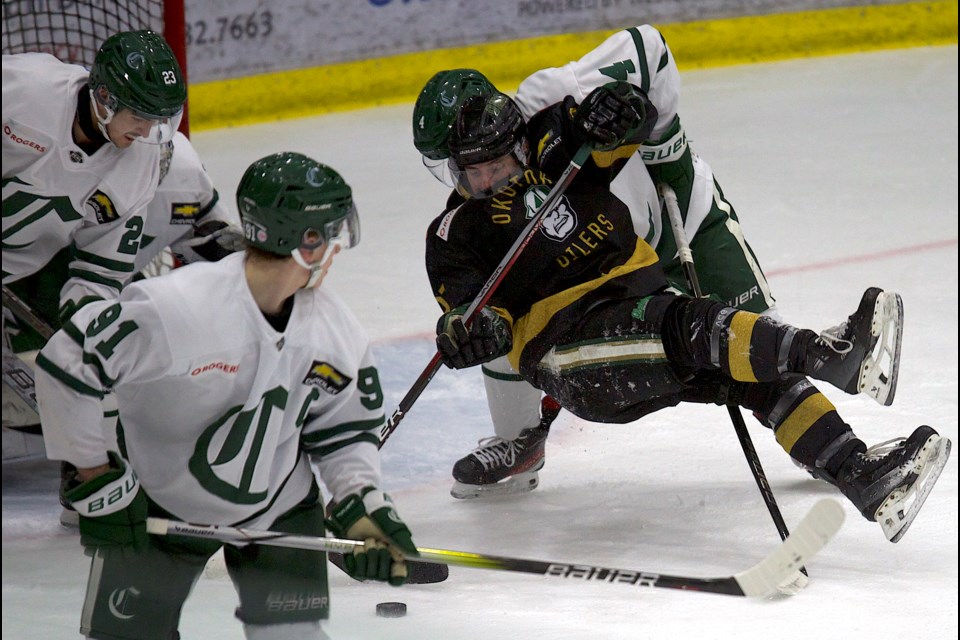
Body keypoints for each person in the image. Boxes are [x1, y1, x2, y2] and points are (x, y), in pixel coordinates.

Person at [424, 88, 951, 543]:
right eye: (473, 171)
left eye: (495, 163)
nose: (487, 180)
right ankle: (837, 358)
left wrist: (619, 109)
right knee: (695, 327)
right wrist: (474, 331)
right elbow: (472, 316)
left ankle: (866, 477)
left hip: (639, 304)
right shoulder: (455, 232)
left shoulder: (557, 146)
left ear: (517, 144)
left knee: (758, 374)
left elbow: (635, 123)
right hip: (571, 351)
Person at [34, 152, 418, 639]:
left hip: (278, 506)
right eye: (330, 235)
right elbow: (69, 363)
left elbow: (343, 432)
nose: (337, 249)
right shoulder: (178, 307)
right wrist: (98, 480)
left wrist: (363, 507)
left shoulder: (333, 331)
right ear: (307, 242)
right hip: (157, 503)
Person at [412, 31, 777, 498]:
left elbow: (649, 49)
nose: (467, 171)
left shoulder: (549, 102)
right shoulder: (475, 209)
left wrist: (664, 146)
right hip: (589, 259)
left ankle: (836, 440)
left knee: (758, 347)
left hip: (666, 220)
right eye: (456, 161)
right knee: (499, 303)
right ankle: (521, 440)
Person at [3, 29, 187, 321]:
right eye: (139, 117)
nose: (147, 132)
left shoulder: (140, 165)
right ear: (104, 97)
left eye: (158, 120)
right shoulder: (25, 89)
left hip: (16, 272)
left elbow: (100, 274)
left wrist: (80, 332)